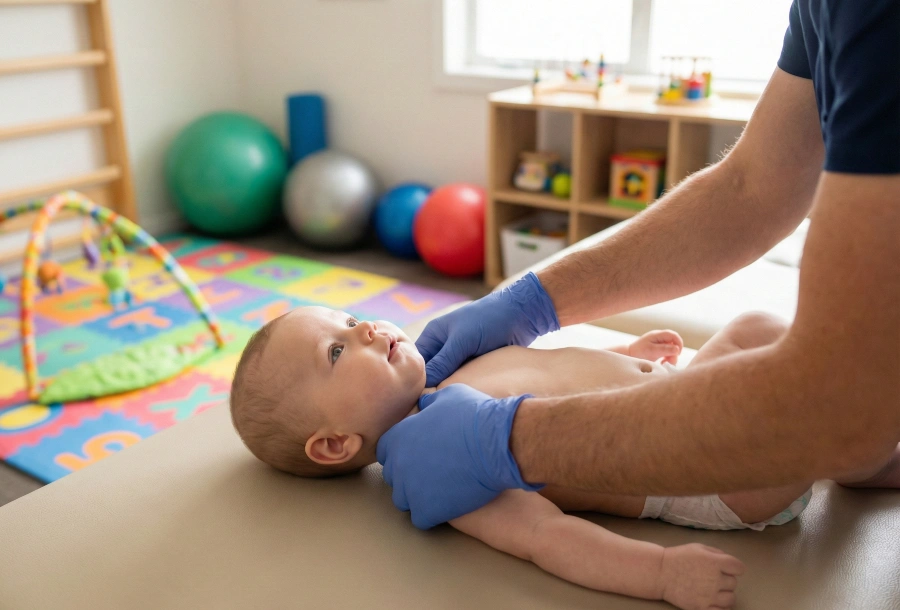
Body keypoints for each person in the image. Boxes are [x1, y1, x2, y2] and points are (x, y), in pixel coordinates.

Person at [376, 0, 900, 529]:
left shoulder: (878, 21)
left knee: (771, 344)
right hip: (721, 477)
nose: (366, 328)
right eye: (336, 347)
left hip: (782, 421)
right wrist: (532, 300)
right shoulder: (837, 13)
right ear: (336, 442)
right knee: (759, 329)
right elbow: (749, 188)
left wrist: (509, 444)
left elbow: (844, 402)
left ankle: (869, 465)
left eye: (348, 322)